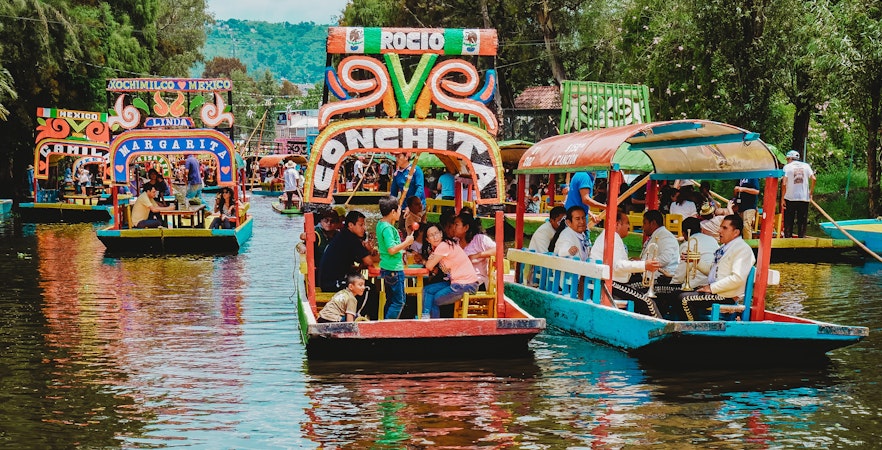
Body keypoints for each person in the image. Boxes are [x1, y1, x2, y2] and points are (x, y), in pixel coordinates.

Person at [675, 214, 756, 321]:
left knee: (684, 299)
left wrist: (711, 288)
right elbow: (712, 272)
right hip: (717, 293)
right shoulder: (725, 248)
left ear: (736, 232)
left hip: (726, 296)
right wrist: (696, 261)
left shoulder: (742, 249)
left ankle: (692, 332)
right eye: (720, 227)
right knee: (677, 293)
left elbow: (737, 279)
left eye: (725, 228)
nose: (719, 231)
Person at [589, 211, 662, 317]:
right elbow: (618, 266)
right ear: (617, 224)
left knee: (642, 295)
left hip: (606, 281)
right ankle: (662, 331)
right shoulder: (612, 237)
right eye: (627, 223)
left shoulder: (609, 235)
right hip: (610, 283)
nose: (629, 226)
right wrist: (644, 265)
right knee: (648, 302)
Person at [420, 225, 480, 319]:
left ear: (441, 234)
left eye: (436, 233)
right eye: (431, 235)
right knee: (427, 290)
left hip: (466, 285)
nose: (435, 237)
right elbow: (433, 268)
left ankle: (431, 326)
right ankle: (425, 317)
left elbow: (429, 266)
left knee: (433, 299)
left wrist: (427, 261)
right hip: (457, 282)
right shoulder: (441, 246)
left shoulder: (443, 245)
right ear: (428, 240)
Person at [319, 211, 378, 292]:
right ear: (350, 225)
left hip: (328, 282)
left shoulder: (344, 235)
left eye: (364, 225)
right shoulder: (351, 238)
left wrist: (368, 251)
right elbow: (369, 261)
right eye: (361, 225)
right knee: (369, 289)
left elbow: (361, 260)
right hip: (332, 283)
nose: (364, 228)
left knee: (368, 285)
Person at [377, 195, 414, 320]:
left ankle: (385, 325)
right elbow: (391, 250)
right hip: (394, 269)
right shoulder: (387, 228)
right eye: (398, 210)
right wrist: (407, 242)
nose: (401, 211)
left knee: (391, 300)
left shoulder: (381, 224)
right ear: (393, 212)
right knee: (399, 302)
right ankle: (388, 326)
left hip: (387, 267)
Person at [452, 212, 496, 288]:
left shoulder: (479, 239)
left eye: (456, 225)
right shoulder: (454, 242)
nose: (453, 227)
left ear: (466, 227)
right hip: (458, 280)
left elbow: (497, 250)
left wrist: (478, 255)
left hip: (477, 282)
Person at [636, 210, 679, 283]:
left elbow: (665, 258)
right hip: (650, 275)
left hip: (661, 279)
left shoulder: (666, 237)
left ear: (653, 223)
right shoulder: (657, 234)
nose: (643, 226)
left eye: (645, 223)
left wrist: (644, 263)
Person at [781, 150, 816, 238]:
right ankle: (802, 238)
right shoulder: (806, 166)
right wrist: (810, 193)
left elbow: (784, 183)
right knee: (802, 221)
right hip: (804, 198)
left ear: (789, 158)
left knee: (789, 221)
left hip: (790, 198)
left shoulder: (787, 167)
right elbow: (814, 179)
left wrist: (782, 198)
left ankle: (788, 239)